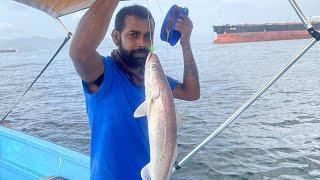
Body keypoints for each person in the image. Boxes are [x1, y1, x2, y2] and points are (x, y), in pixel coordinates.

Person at [69, 0, 200, 179]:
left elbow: (191, 93)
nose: (142, 43)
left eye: (148, 36)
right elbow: (80, 53)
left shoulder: (154, 81)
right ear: (116, 37)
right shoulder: (103, 74)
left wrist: (185, 43)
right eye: (133, 35)